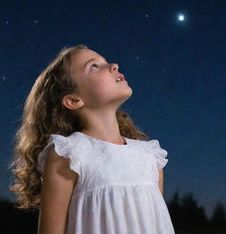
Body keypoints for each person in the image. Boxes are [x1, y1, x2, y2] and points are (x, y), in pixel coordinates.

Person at [9, 44, 175, 234]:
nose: (114, 65)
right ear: (74, 100)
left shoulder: (150, 156)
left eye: (105, 62)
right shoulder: (70, 154)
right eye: (94, 66)